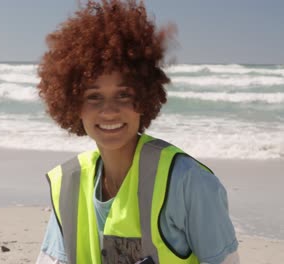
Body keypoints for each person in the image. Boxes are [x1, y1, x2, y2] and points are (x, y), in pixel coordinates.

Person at [35, 1, 240, 264]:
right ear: (73, 105)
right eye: (94, 96)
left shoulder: (188, 184)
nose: (109, 111)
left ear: (144, 98)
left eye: (123, 95)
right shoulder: (69, 186)